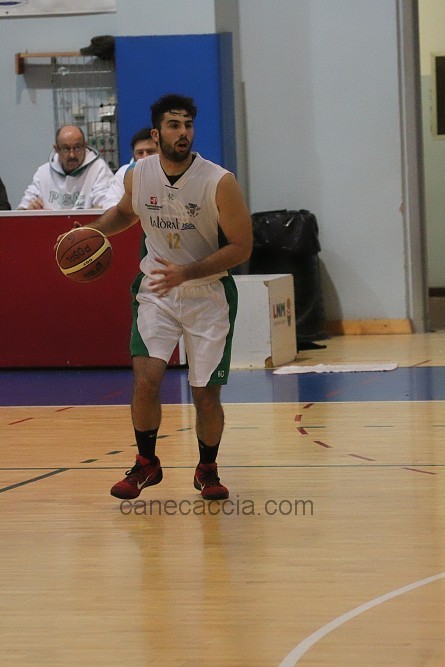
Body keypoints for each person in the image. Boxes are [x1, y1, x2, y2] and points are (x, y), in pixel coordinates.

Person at [58, 93, 252, 501]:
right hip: (156, 291)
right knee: (146, 379)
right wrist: (92, 232)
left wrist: (187, 271)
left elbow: (242, 247)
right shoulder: (138, 174)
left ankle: (207, 468)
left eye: (188, 126)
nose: (183, 133)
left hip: (208, 293)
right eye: (174, 125)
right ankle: (147, 462)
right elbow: (126, 213)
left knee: (205, 394)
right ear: (156, 133)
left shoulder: (220, 181)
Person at [18, 125, 113, 210]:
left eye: (77, 148)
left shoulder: (98, 168)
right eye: (66, 149)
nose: (72, 155)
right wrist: (29, 210)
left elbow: (107, 207)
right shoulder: (43, 172)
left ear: (85, 146)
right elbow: (22, 209)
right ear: (56, 149)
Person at [103, 126, 158, 208]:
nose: (145, 157)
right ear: (133, 154)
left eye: (150, 151)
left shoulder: (171, 171)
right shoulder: (123, 172)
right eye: (140, 153)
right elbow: (110, 204)